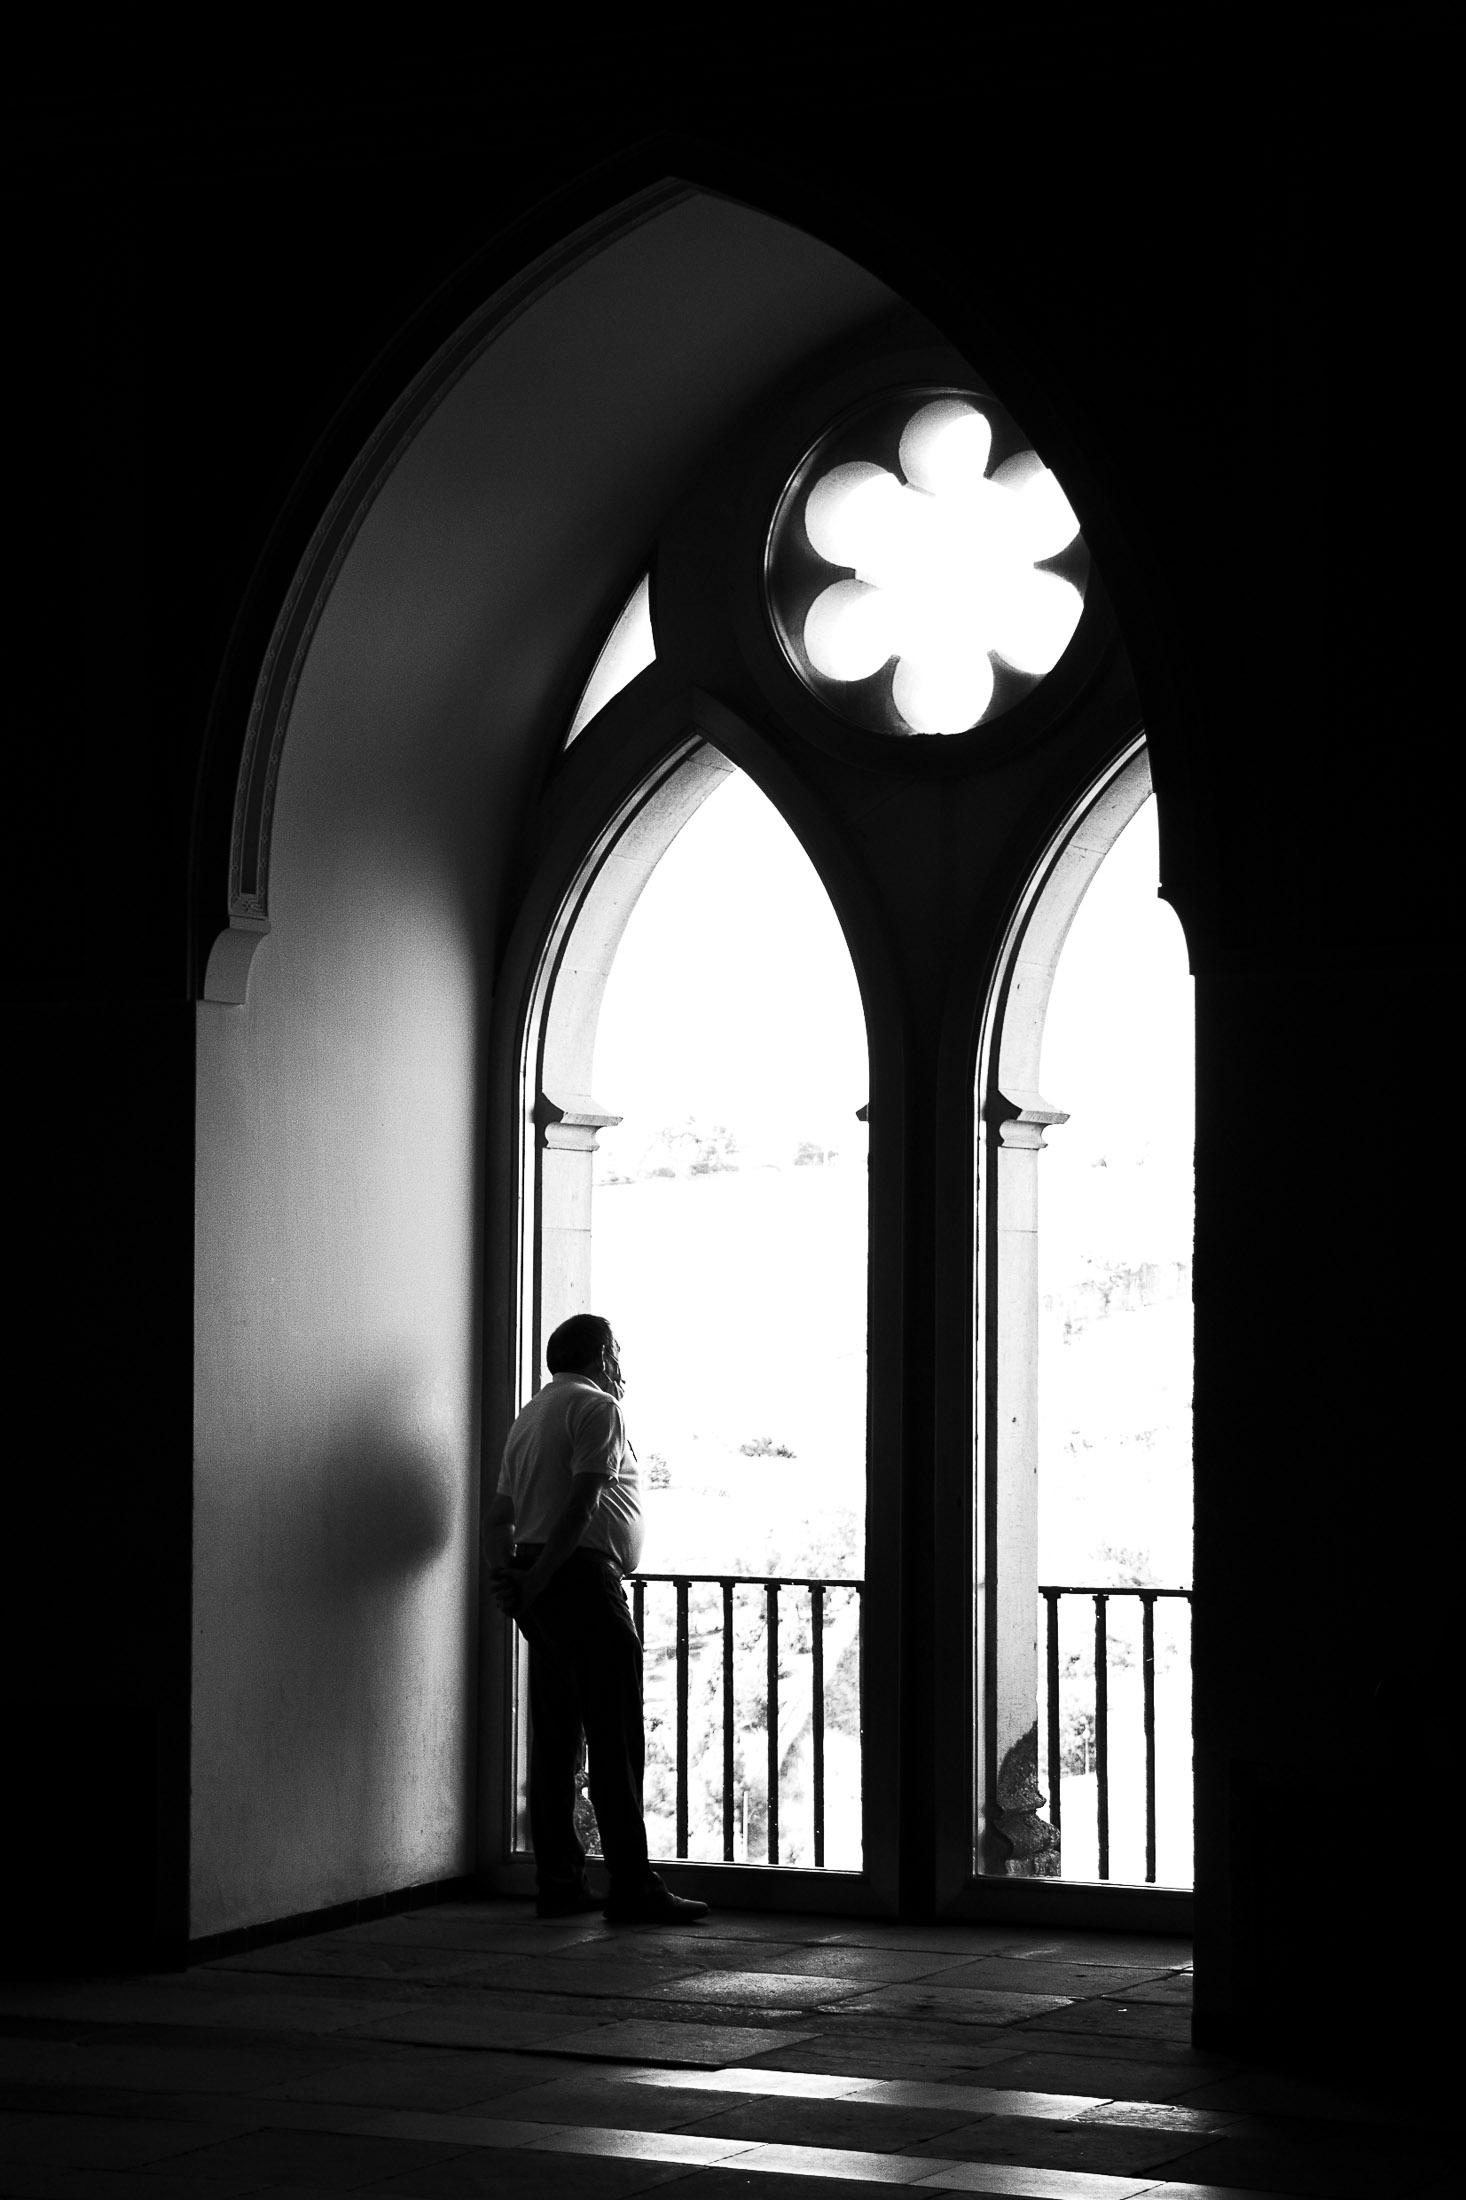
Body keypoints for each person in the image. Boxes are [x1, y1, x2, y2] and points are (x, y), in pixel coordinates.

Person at [483, 1312, 708, 1924]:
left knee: (556, 1738)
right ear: (603, 1355)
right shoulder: (598, 1409)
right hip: (580, 1582)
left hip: (544, 1586)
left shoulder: (528, 1419)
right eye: (617, 1354)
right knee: (614, 1738)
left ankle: (559, 1883)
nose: (620, 1367)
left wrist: (515, 1581)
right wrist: (539, 1577)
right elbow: (582, 1506)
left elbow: (496, 1520)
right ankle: (631, 1887)